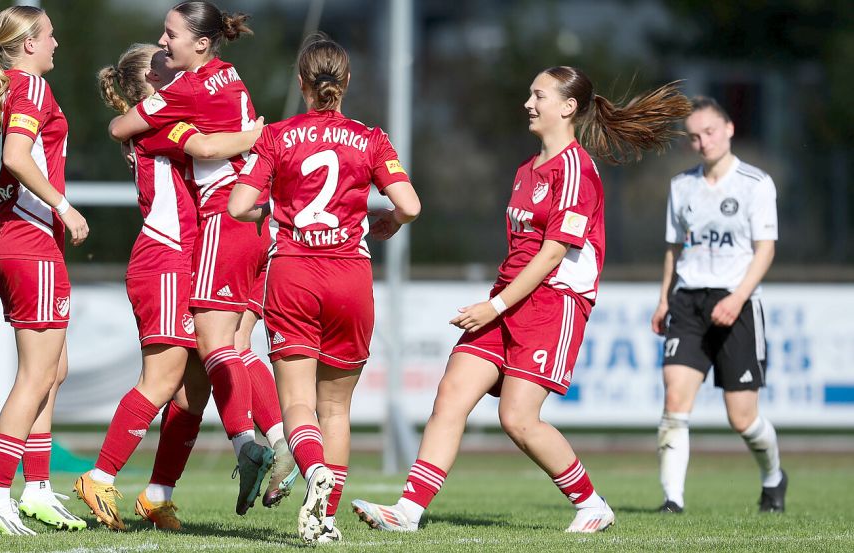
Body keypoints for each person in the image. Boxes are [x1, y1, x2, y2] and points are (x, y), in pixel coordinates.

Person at [351, 67, 692, 534]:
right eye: (530, 94)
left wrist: (495, 306)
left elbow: (554, 252)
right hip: (508, 299)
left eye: (539, 95)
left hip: (554, 304)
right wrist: (498, 302)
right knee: (450, 395)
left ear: (568, 107)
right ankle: (408, 511)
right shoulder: (526, 170)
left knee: (517, 418)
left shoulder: (576, 170)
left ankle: (592, 504)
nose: (528, 104)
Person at [229, 34, 421, 545]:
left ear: (301, 83)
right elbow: (410, 204)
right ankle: (326, 516)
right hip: (350, 278)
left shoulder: (276, 136)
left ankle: (311, 469)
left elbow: (238, 206)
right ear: (347, 81)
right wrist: (387, 223)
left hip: (294, 273)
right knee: (336, 409)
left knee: (297, 403)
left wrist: (276, 211)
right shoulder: (372, 138)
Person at [102, 0, 289, 518]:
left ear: (199, 44)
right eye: (160, 44)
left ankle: (250, 446)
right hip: (217, 235)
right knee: (197, 372)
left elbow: (188, 141)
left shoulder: (182, 95)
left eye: (170, 37)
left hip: (217, 227)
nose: (164, 44)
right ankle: (268, 443)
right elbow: (203, 143)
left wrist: (249, 140)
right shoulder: (225, 78)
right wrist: (257, 136)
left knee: (202, 365)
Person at [73, 44, 264, 531]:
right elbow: (207, 148)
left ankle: (158, 495)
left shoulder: (171, 113)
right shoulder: (159, 123)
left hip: (189, 261)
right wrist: (260, 135)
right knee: (162, 380)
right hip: (165, 262)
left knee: (191, 393)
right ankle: (98, 476)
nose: (177, 68)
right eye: (164, 64)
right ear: (152, 85)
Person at [0, 5, 89, 535]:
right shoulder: (29, 88)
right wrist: (61, 203)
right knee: (36, 375)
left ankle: (35, 489)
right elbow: (15, 155)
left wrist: (16, 177)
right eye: (50, 35)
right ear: (29, 43)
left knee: (54, 369)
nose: (57, 42)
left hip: (8, 238)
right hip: (31, 241)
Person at [651, 96, 785, 514]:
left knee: (742, 419)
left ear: (728, 129)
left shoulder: (755, 184)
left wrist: (737, 297)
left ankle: (774, 478)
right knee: (675, 398)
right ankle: (673, 500)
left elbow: (765, 251)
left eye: (709, 132)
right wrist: (663, 300)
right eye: (694, 136)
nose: (703, 142)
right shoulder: (681, 186)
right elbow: (674, 249)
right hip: (689, 302)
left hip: (737, 303)